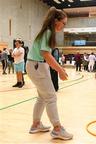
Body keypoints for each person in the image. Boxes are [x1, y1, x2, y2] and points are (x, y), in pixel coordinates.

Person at [26, 7, 73, 140]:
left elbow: (45, 55)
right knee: (51, 97)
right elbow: (45, 54)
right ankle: (57, 129)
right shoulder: (47, 32)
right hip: (37, 66)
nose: (64, 26)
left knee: (42, 97)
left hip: (36, 66)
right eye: (64, 23)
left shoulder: (46, 32)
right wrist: (60, 70)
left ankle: (36, 124)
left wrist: (59, 69)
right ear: (56, 21)